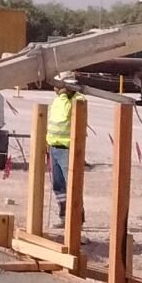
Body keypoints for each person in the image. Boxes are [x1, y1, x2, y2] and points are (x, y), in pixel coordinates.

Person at [48, 74, 78, 228]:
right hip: (53, 147)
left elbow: (64, 116)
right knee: (58, 185)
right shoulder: (58, 100)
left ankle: (76, 219)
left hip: (68, 149)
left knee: (73, 185)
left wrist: (64, 96)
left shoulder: (76, 101)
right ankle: (64, 216)